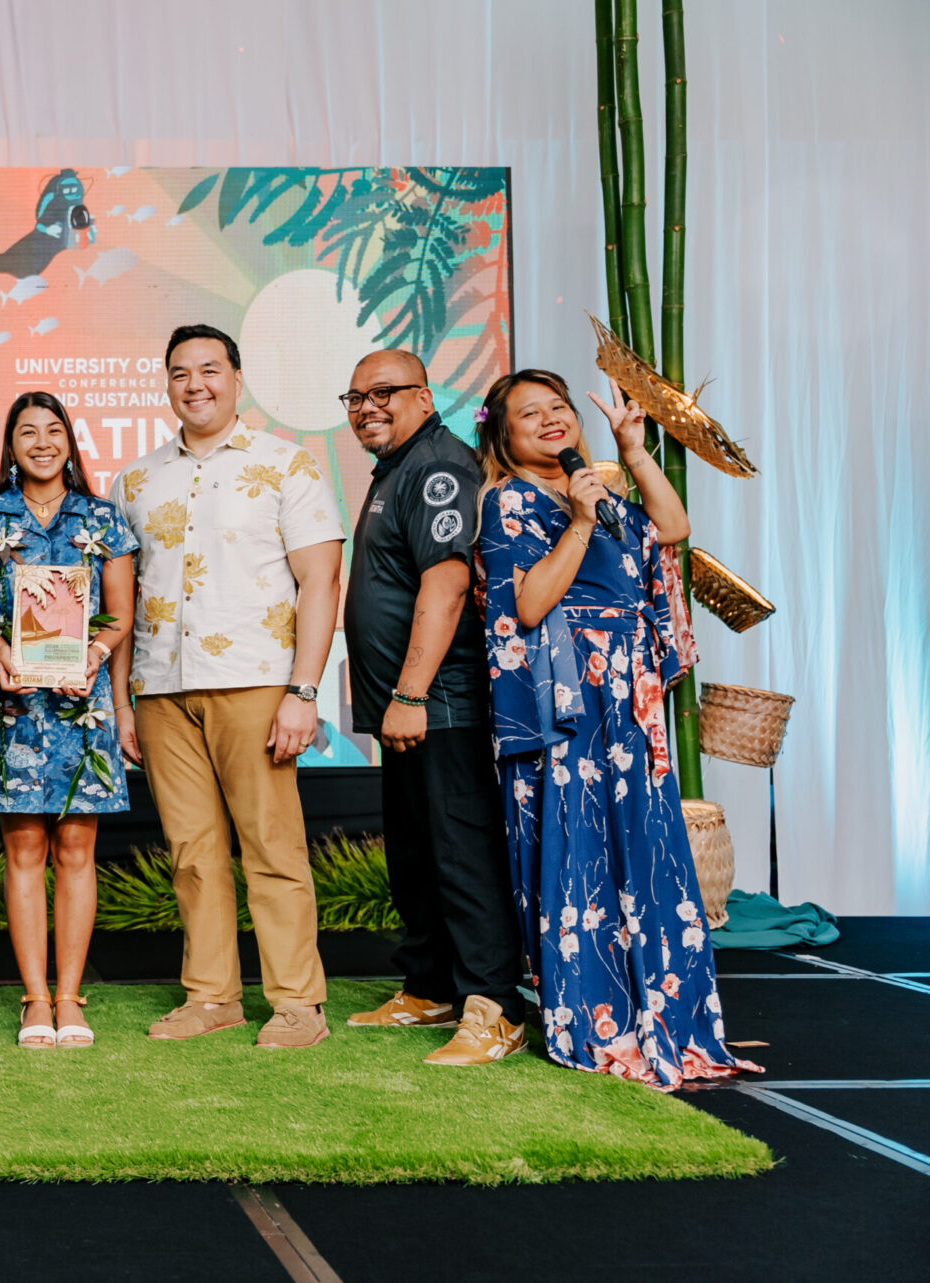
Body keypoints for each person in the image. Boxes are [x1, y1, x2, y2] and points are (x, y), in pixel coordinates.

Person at [474, 369, 759, 1088]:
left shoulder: (598, 487)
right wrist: (577, 520)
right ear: (503, 436)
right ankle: (597, 1019)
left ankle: (664, 1017)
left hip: (628, 699)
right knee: (580, 853)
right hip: (569, 696)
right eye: (528, 413)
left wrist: (633, 451)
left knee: (647, 848)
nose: (549, 420)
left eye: (558, 407)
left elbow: (672, 529)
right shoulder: (508, 500)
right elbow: (531, 605)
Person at [108, 325, 345, 1050]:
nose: (195, 384)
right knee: (192, 852)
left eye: (210, 370)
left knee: (272, 845)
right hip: (160, 689)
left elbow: (321, 581)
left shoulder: (287, 465)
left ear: (237, 379)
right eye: (180, 372)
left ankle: (298, 1003)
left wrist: (303, 692)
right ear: (167, 384)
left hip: (258, 683)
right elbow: (118, 601)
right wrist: (122, 702)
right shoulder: (135, 480)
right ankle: (212, 996)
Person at [339, 350, 527, 1065]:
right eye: (355, 397)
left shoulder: (439, 467)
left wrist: (413, 692)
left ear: (423, 396)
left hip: (439, 705)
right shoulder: (398, 468)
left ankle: (495, 1007)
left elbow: (446, 585)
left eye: (384, 392)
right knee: (418, 855)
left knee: (461, 856)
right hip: (407, 713)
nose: (367, 407)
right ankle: (431, 988)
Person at [0, 392, 137, 1050]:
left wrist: (92, 652)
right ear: (10, 444)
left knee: (77, 850)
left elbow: (119, 612)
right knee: (24, 849)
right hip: (13, 704)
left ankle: (71, 997)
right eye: (27, 431)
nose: (41, 441)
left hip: (81, 703)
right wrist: (2, 649)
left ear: (69, 440)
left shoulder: (103, 519)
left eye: (52, 430)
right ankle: (35, 999)